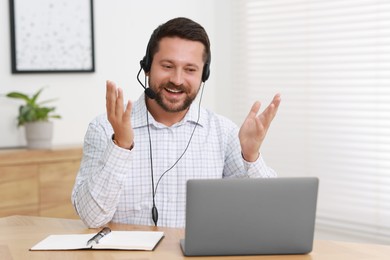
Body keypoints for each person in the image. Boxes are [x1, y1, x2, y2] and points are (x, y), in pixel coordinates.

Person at [71, 17, 281, 228]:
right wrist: (121, 146)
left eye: (190, 70)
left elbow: (271, 212)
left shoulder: (224, 133)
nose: (178, 80)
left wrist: (251, 156)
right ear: (147, 67)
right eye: (168, 66)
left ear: (203, 75)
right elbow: (92, 218)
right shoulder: (104, 128)